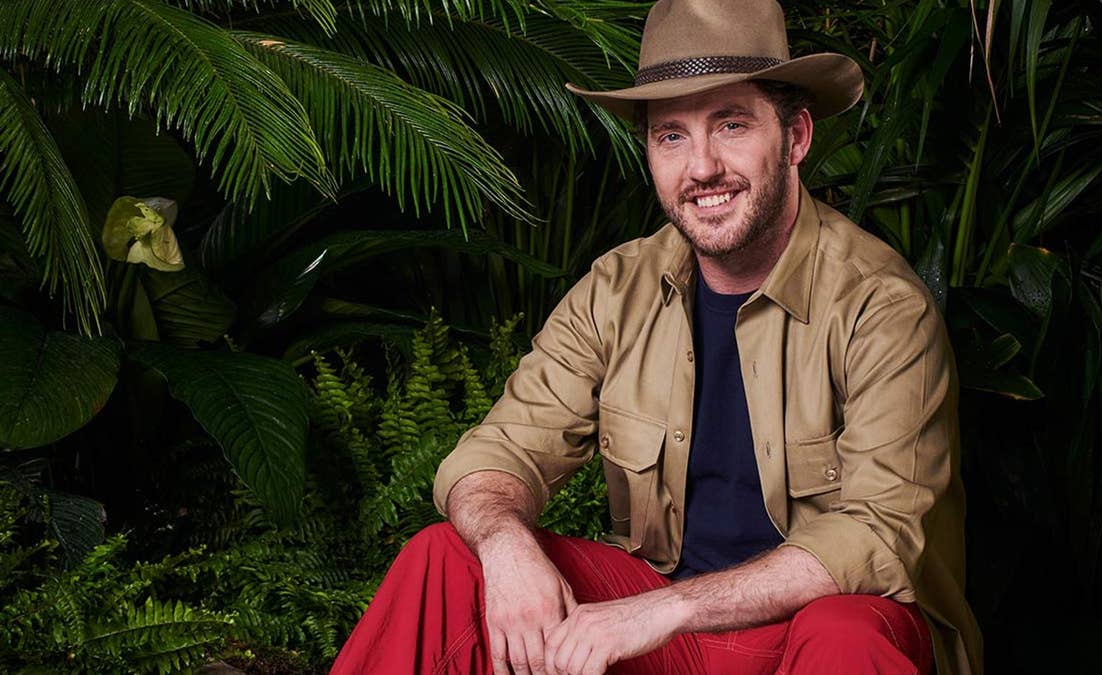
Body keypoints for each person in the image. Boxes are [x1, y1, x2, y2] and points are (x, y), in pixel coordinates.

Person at [331, 0, 983, 673]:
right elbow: (500, 450)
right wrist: (504, 545)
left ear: (795, 137)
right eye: (672, 135)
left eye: (731, 125)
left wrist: (664, 610)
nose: (701, 167)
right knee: (447, 558)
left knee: (846, 631)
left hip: (809, 633)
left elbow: (881, 532)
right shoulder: (617, 290)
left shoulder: (881, 306)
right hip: (666, 633)